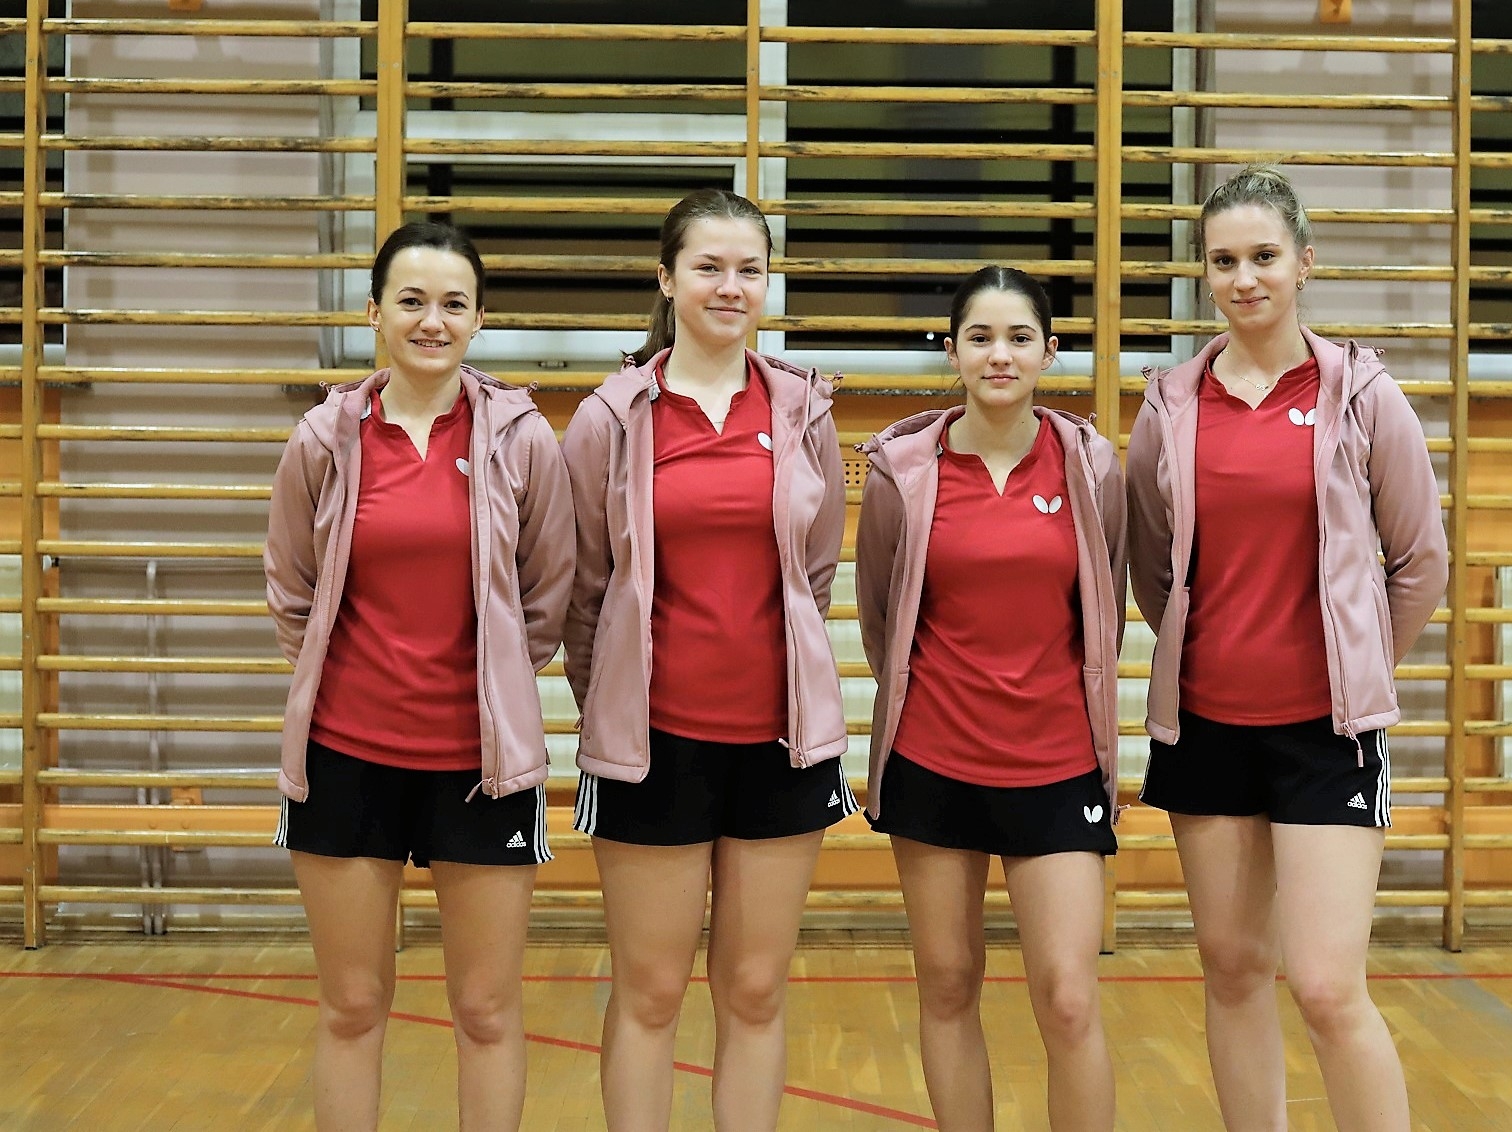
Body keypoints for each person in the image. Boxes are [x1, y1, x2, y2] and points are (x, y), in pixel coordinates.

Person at [1125, 166, 1447, 1132]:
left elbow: (1419, 561)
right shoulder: (1169, 404)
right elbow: (1152, 567)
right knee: (1230, 970)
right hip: (1205, 729)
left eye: (1263, 256)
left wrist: (1354, 664)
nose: (1244, 278)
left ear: (1304, 262)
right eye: (1223, 260)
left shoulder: (1362, 394)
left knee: (1324, 986)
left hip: (1325, 735)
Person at [265, 221, 575, 1132]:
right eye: (411, 301)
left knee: (484, 1009)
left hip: (481, 767)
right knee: (352, 1006)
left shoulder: (523, 438)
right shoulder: (324, 438)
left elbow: (546, 596)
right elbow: (292, 591)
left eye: (452, 303)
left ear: (479, 319)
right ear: (374, 313)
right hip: (345, 759)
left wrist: (493, 689)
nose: (431, 320)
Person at [561, 188, 851, 1132]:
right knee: (650, 991)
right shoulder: (610, 417)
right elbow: (584, 593)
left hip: (779, 744)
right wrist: (615, 706)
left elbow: (815, 571)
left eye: (749, 270)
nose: (731, 287)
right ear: (666, 279)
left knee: (756, 989)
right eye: (708, 268)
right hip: (654, 747)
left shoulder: (803, 408)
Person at [855, 266, 1126, 1132]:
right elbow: (881, 619)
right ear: (952, 352)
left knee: (1068, 997)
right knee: (945, 983)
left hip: (1057, 765)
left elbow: (1105, 613)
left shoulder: (1091, 467)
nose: (998, 354)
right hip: (933, 761)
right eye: (979, 337)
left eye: (1018, 338)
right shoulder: (903, 472)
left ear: (1050, 352)